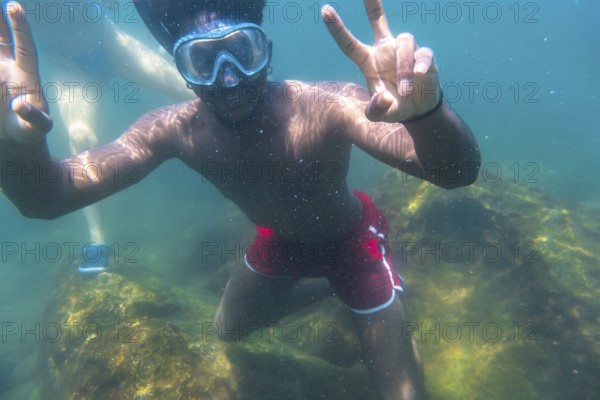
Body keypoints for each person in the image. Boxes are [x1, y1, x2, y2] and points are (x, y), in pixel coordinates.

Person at [0, 0, 481, 399]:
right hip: (280, 239)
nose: (229, 79)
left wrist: (428, 115)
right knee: (229, 329)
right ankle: (335, 289)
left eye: (241, 51)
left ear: (266, 51)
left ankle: (373, 288)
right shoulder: (173, 131)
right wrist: (16, 145)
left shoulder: (325, 105)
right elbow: (50, 197)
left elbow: (455, 173)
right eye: (203, 61)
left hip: (353, 239)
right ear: (180, 70)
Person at [16, 0, 193, 271]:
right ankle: (97, 240)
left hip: (110, 43)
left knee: (188, 92)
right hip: (68, 65)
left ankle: (166, 55)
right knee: (80, 135)